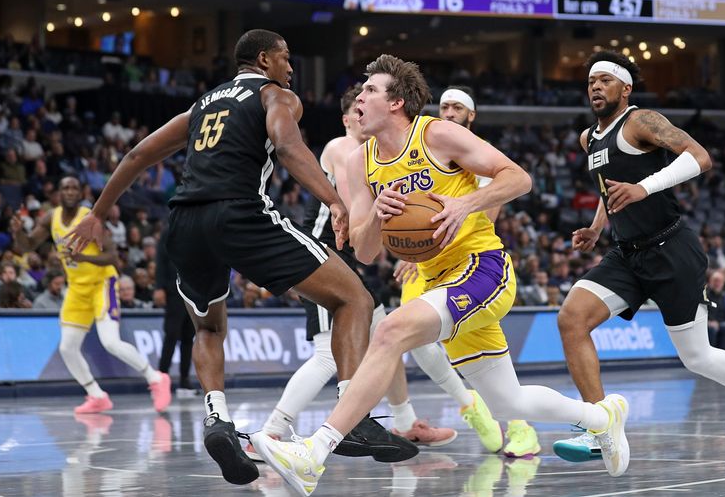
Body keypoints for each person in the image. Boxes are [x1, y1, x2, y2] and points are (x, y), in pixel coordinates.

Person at [252, 54, 630, 496]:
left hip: (482, 267)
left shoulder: (437, 134)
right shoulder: (358, 164)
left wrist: (465, 204)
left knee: (389, 330)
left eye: (371, 89)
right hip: (435, 280)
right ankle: (604, 417)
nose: (360, 96)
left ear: (396, 103)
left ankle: (314, 452)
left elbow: (519, 178)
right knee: (509, 401)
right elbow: (367, 251)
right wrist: (376, 213)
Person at [64, 30, 413, 487]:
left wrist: (97, 213)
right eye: (287, 58)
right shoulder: (276, 94)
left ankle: (217, 418)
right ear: (265, 59)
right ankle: (356, 419)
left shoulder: (202, 105)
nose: (292, 68)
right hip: (239, 214)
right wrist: (334, 200)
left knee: (208, 327)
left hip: (184, 224)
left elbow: (139, 153)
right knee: (355, 300)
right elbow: (288, 147)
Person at [552, 50, 725, 464]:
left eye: (605, 80)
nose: (596, 88)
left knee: (696, 357)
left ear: (625, 88)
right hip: (627, 255)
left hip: (671, 248)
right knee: (571, 317)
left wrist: (644, 188)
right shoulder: (589, 138)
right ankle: (600, 423)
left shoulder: (642, 121)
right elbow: (610, 189)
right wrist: (596, 227)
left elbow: (700, 157)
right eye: (590, 82)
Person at [245, 85, 454, 463]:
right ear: (347, 119)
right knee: (327, 354)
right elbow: (363, 204)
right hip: (322, 257)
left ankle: (405, 421)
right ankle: (273, 429)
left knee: (384, 338)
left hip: (350, 261)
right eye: (356, 110)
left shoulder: (375, 156)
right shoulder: (344, 149)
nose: (362, 114)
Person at [395, 85, 541, 458]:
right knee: (410, 336)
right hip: (427, 264)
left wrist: (425, 240)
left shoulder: (483, 161)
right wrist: (409, 247)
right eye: (444, 106)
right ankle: (469, 404)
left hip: (470, 262)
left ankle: (520, 425)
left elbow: (483, 218)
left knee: (488, 355)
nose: (449, 112)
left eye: (457, 107)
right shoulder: (426, 153)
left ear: (471, 115)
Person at [11, 176, 171, 415]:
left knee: (110, 342)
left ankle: (156, 378)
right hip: (76, 287)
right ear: (58, 193)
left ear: (81, 192)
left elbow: (113, 257)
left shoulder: (90, 216)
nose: (70, 191)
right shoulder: (51, 218)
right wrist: (17, 233)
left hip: (102, 283)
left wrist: (82, 257)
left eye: (75, 187)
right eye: (65, 187)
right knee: (67, 347)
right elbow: (27, 246)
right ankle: (96, 395)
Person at [155, 224, 197, 395]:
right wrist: (159, 287)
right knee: (171, 334)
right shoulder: (170, 229)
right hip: (173, 291)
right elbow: (160, 259)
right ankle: (162, 378)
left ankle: (184, 379)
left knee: (189, 336)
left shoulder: (198, 229)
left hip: (194, 290)